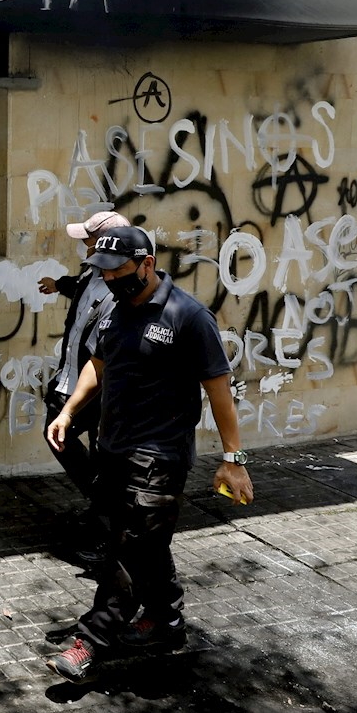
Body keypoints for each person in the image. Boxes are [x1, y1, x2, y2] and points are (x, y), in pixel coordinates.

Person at [43, 225, 251, 683]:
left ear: (147, 264)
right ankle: (166, 619)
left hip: (158, 459)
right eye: (104, 271)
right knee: (143, 543)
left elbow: (220, 392)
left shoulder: (188, 317)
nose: (111, 279)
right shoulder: (113, 311)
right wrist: (70, 412)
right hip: (113, 449)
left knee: (124, 551)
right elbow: (98, 366)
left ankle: (89, 642)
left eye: (119, 270)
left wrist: (233, 459)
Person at [35, 209, 131, 562]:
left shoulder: (119, 288)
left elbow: (104, 355)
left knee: (67, 436)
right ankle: (104, 509)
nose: (84, 244)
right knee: (71, 441)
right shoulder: (94, 271)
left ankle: (109, 520)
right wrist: (57, 284)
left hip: (94, 387)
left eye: (88, 238)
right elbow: (80, 288)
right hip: (73, 376)